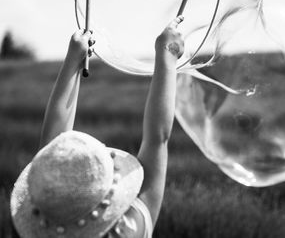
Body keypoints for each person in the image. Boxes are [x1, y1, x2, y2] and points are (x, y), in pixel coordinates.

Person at [10, 15, 185, 238]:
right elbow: (157, 138)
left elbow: (54, 151)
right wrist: (167, 54)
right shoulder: (132, 228)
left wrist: (72, 60)